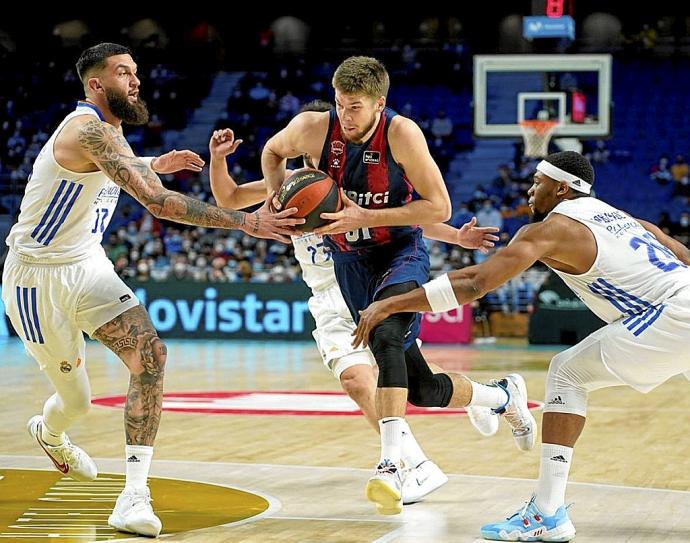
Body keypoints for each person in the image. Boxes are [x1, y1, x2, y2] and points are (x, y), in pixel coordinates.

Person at [1, 42, 301, 538]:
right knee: (75, 400)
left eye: (135, 71)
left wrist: (152, 162)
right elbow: (159, 205)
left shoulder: (108, 131)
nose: (136, 81)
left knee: (150, 355)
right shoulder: (88, 129)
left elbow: (118, 166)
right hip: (37, 280)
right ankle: (50, 433)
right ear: (96, 85)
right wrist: (246, 221)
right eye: (124, 73)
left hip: (88, 266)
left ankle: (133, 493)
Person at [352, 150, 690, 541]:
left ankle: (548, 513)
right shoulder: (628, 220)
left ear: (561, 188)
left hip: (673, 314)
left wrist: (389, 304)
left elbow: (475, 283)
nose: (529, 191)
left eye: (537, 183)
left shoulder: (550, 230)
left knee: (567, 373)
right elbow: (682, 255)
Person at [261, 56, 536, 515]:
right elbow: (272, 151)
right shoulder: (312, 128)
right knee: (423, 389)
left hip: (399, 253)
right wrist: (275, 201)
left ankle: (392, 464)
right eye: (339, 104)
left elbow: (439, 207)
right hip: (349, 264)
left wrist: (367, 216)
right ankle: (503, 396)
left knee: (385, 333)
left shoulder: (402, 133)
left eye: (354, 107)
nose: (344, 116)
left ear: (378, 104)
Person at [207, 112, 501, 504]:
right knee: (357, 382)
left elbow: (407, 221)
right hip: (328, 296)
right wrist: (218, 159)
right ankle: (417, 465)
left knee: (420, 386)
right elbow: (228, 198)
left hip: (370, 282)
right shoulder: (289, 186)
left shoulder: (362, 185)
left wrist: (456, 237)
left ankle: (490, 397)